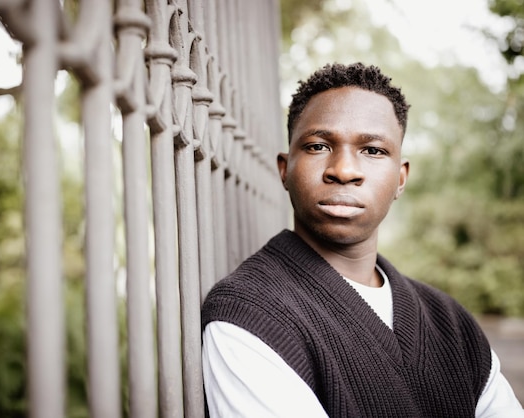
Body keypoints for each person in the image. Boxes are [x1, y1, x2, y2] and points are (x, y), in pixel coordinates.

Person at [201, 62, 524, 417]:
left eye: (373, 150)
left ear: (401, 179)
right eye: (318, 145)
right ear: (285, 169)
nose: (344, 170)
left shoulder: (451, 322)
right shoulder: (249, 315)